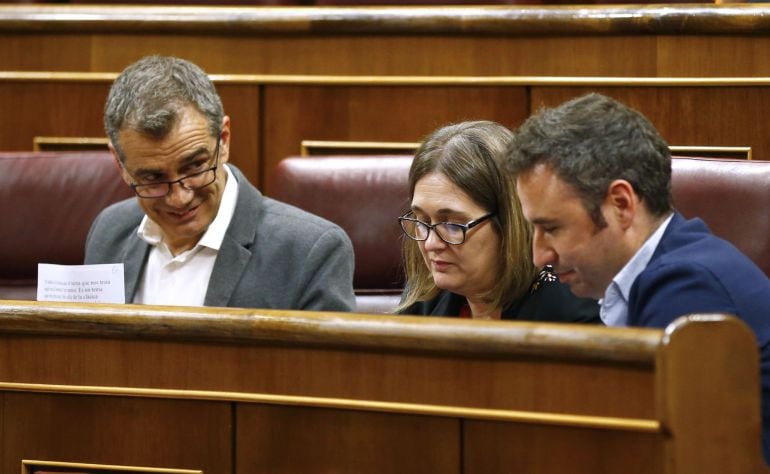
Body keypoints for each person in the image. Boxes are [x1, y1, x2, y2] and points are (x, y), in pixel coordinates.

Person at [506, 92, 770, 462]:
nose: (539, 257)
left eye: (551, 228)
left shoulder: (687, 287)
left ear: (621, 205)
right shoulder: (672, 266)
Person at [85, 55, 355, 311]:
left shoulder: (309, 252)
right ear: (120, 164)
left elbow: (327, 362)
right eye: (152, 179)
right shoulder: (109, 232)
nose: (179, 198)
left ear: (223, 140)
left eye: (195, 167)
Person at [395, 121, 600, 322]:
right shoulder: (424, 296)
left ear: (510, 222)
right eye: (422, 221)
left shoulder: (572, 311)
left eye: (453, 225)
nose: (431, 244)